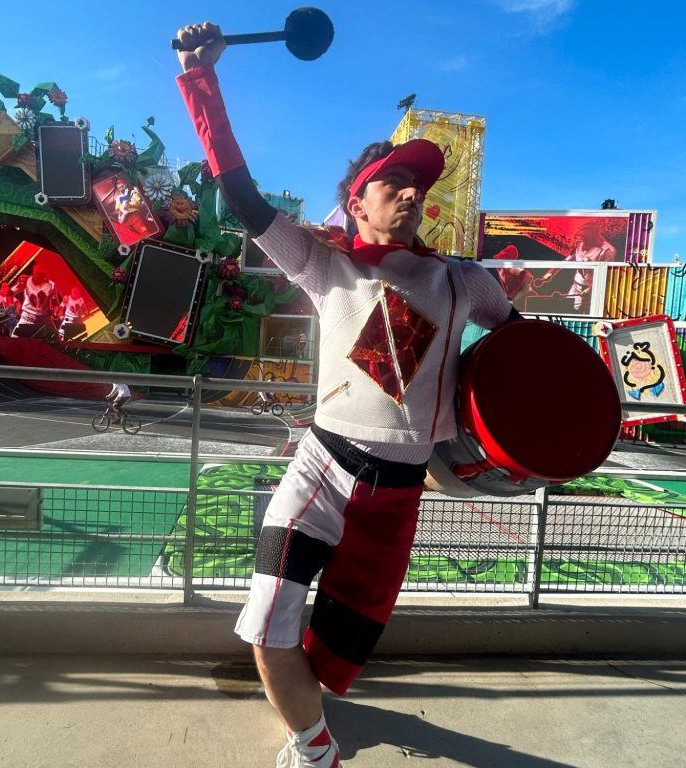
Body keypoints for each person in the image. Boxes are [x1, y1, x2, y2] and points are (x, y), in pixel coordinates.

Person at [175, 22, 520, 767]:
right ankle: (314, 746)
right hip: (320, 471)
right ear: (355, 203)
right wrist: (201, 77)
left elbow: (527, 360)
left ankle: (315, 710)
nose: (410, 193)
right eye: (391, 182)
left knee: (337, 659)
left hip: (397, 500)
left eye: (417, 185)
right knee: (266, 628)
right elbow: (239, 191)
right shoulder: (323, 265)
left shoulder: (466, 281)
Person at [533, 220, 616, 311]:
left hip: (592, 289)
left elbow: (606, 275)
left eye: (585, 238)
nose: (583, 240)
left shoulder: (606, 252)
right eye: (582, 237)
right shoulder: (580, 245)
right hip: (576, 286)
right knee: (567, 309)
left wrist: (590, 289)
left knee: (584, 312)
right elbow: (565, 262)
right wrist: (548, 275)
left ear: (593, 237)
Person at [11, 265, 60, 338]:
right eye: (37, 273)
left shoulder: (51, 285)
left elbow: (55, 302)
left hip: (44, 320)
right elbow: (9, 293)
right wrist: (18, 285)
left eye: (41, 274)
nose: (39, 276)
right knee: (14, 342)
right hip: (27, 318)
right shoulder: (26, 281)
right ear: (33, 273)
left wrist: (55, 313)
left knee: (56, 343)